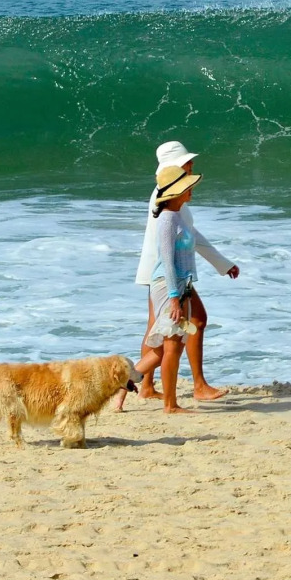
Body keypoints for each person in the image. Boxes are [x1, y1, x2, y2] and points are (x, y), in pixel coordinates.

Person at [117, 140, 239, 410]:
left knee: (160, 329)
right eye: (187, 162)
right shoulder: (169, 199)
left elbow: (189, 235)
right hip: (167, 273)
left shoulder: (172, 195)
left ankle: (145, 386)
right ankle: (196, 386)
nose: (191, 165)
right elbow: (178, 239)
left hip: (165, 272)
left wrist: (222, 263)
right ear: (174, 166)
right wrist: (177, 290)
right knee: (189, 323)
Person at [123, 164, 208, 413]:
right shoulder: (167, 220)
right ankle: (171, 405)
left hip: (181, 285)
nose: (191, 190)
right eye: (186, 188)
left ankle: (120, 386)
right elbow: (167, 261)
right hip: (169, 286)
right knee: (172, 346)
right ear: (175, 193)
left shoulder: (178, 215)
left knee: (166, 347)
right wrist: (174, 297)